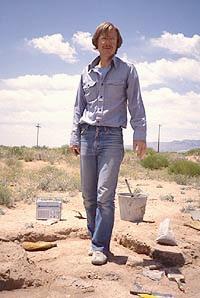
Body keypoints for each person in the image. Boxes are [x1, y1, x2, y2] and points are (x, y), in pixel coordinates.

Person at [70, 21, 147, 265]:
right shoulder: (86, 72)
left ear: (117, 43)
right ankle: (95, 238)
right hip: (87, 134)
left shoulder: (127, 70)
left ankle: (100, 246)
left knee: (105, 194)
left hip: (112, 138)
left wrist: (140, 133)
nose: (108, 42)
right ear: (96, 42)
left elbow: (135, 103)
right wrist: (74, 136)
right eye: (104, 38)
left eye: (112, 39)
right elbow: (77, 107)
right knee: (88, 196)